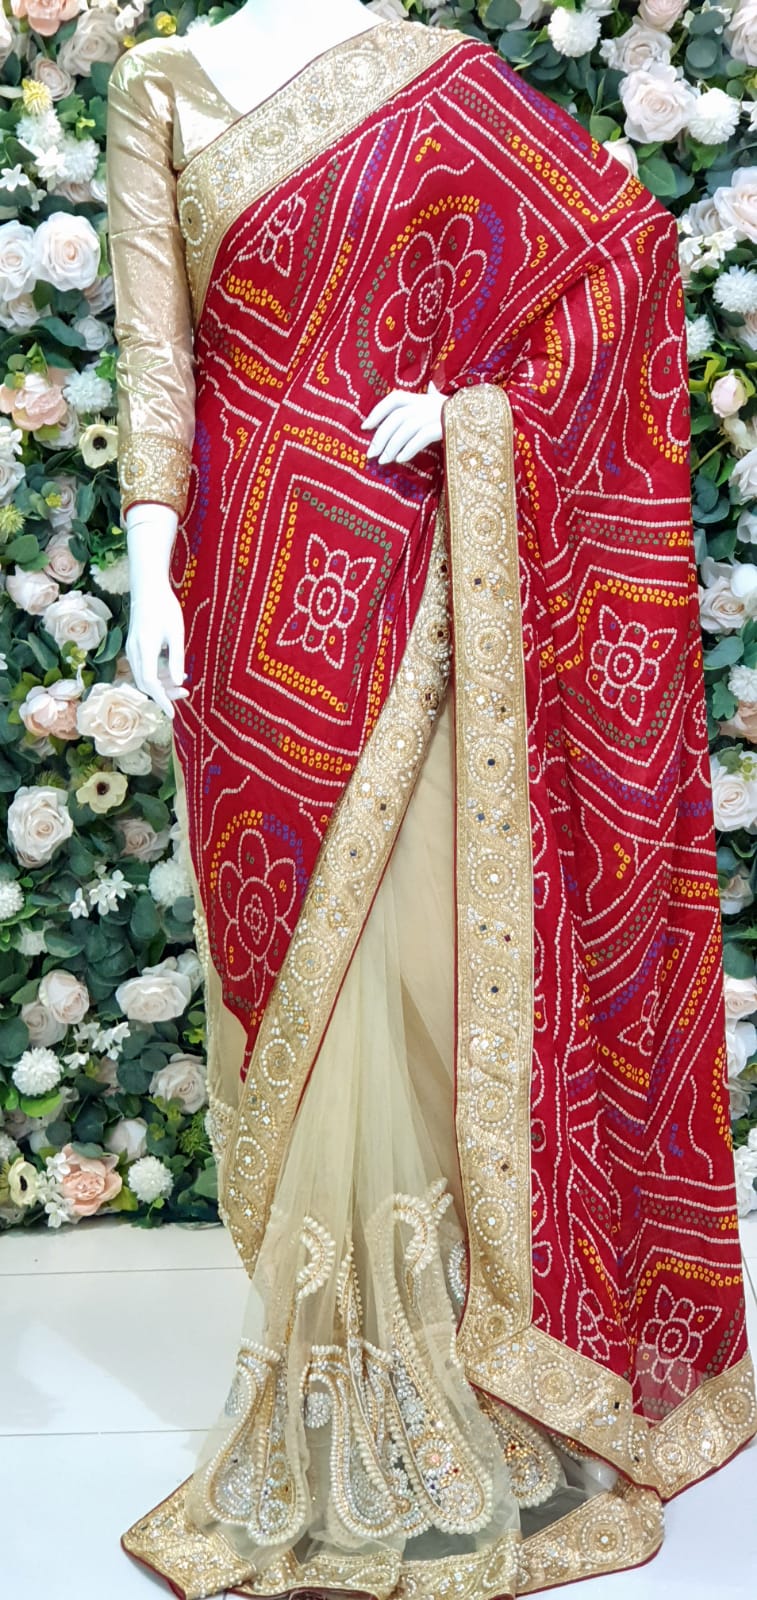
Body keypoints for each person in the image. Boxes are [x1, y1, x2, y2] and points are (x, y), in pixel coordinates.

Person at [106, 5, 757, 1597]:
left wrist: (479, 410)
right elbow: (155, 359)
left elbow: (615, 263)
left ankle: (448, 1364)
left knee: (414, 980)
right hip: (243, 588)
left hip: (412, 576)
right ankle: (334, 1371)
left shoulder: (442, 78)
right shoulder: (162, 84)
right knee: (294, 984)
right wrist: (144, 566)